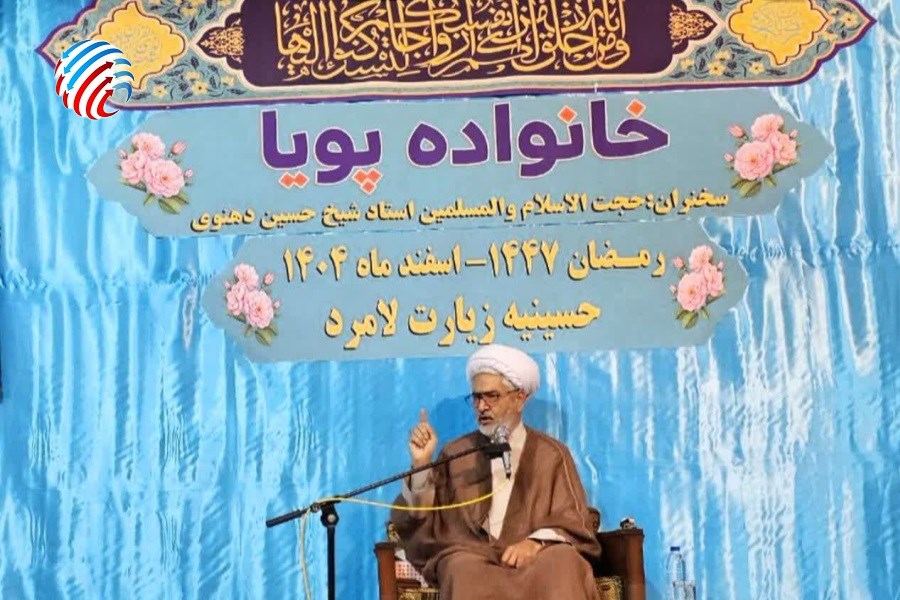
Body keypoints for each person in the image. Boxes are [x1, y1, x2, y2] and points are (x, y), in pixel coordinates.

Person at [391, 344, 601, 600]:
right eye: (477, 398)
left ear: (519, 398)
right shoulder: (457, 452)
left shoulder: (552, 454)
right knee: (460, 568)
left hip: (537, 560)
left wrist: (536, 543)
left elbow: (572, 519)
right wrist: (421, 463)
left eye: (492, 396)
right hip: (475, 557)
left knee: (563, 561)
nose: (482, 406)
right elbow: (420, 515)